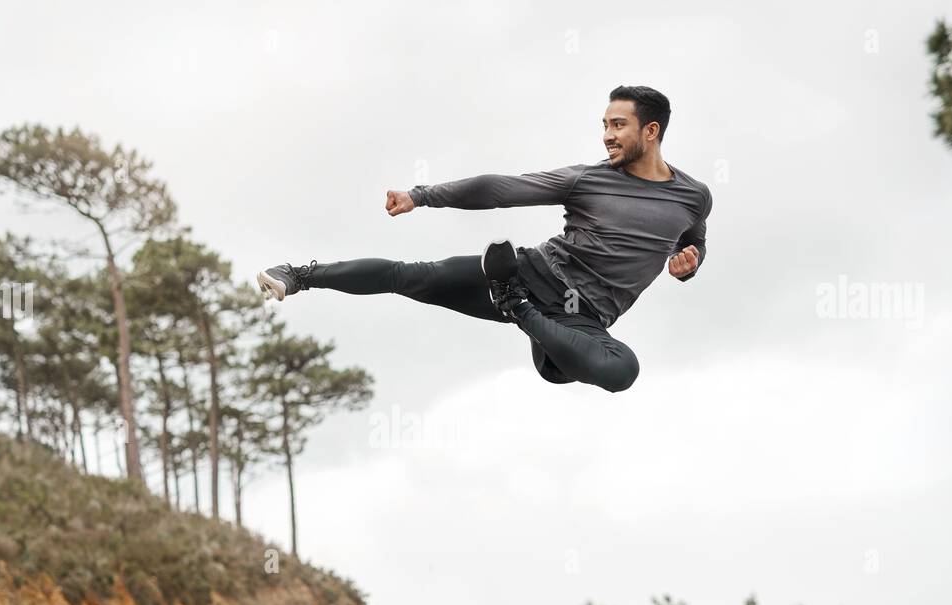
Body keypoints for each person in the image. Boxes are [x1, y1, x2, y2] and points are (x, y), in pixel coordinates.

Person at [257, 85, 711, 394]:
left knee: (620, 371)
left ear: (650, 132)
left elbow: (693, 245)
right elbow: (500, 189)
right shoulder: (587, 180)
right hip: (533, 270)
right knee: (410, 276)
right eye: (605, 124)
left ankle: (516, 306)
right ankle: (298, 275)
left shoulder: (692, 198)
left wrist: (688, 266)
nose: (607, 136)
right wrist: (420, 195)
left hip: (579, 319)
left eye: (618, 126)